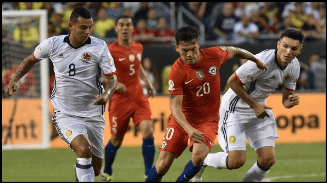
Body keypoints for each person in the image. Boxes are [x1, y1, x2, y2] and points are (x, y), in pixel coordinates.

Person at [4, 6, 118, 182]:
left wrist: (107, 94)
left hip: (94, 114)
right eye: (83, 27)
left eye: (90, 27)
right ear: (70, 25)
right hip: (66, 113)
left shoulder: (100, 46)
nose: (88, 31)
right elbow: (29, 60)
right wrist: (14, 79)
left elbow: (112, 79)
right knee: (84, 150)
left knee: (95, 169)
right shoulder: (53, 44)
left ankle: (81, 171)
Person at [145, 26, 267, 182]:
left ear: (198, 44)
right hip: (182, 120)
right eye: (184, 51)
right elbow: (175, 107)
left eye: (193, 49)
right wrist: (189, 129)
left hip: (207, 121)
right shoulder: (176, 70)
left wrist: (255, 59)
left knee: (198, 156)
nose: (189, 54)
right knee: (162, 165)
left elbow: (235, 50)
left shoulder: (214, 54)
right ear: (176, 48)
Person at [192, 27, 304, 182]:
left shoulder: (294, 66)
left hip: (257, 110)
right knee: (236, 161)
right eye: (285, 46)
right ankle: (204, 160)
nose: (288, 52)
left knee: (268, 159)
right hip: (234, 110)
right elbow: (232, 82)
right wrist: (254, 105)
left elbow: (286, 100)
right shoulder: (262, 61)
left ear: (299, 50)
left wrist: (291, 102)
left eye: (293, 48)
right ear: (278, 44)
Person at [101, 15, 156, 182]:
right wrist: (115, 85)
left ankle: (148, 174)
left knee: (148, 131)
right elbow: (101, 76)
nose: (125, 28)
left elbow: (137, 67)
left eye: (128, 25)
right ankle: (108, 170)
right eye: (122, 25)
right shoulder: (109, 50)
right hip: (119, 100)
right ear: (116, 28)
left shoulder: (138, 47)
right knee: (116, 140)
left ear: (133, 29)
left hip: (138, 97)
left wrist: (147, 82)